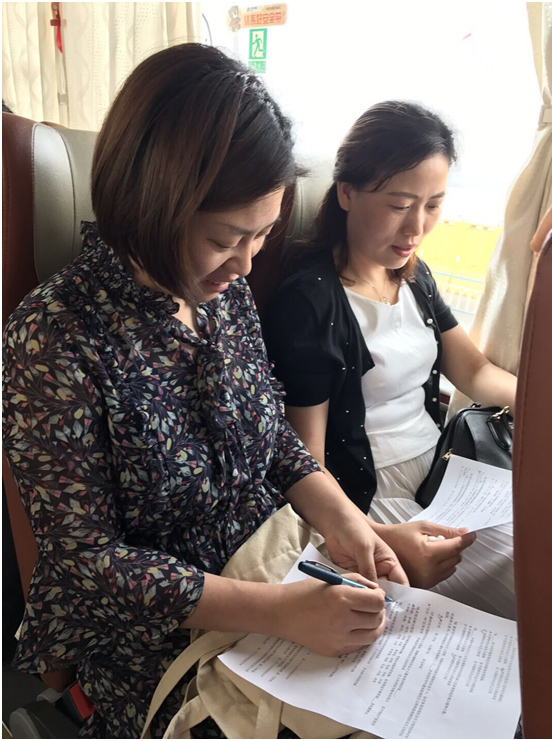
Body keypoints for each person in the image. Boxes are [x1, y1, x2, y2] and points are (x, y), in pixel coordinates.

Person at [2, 47, 408, 740]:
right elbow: (86, 562)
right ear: (152, 206)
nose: (246, 263)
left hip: (276, 565)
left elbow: (271, 437)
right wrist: (281, 613)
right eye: (226, 239)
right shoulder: (54, 334)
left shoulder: (223, 295)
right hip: (158, 640)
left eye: (262, 236)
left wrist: (346, 521)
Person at [265, 101, 517, 618]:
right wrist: (378, 535)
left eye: (433, 205)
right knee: (534, 577)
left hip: (447, 469)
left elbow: (473, 372)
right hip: (371, 498)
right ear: (346, 192)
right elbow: (306, 459)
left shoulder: (415, 277)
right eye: (400, 204)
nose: (416, 227)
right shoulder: (311, 302)